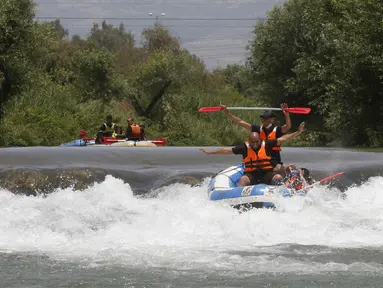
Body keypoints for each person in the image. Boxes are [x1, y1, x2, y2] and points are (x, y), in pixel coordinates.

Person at [200, 122, 305, 187]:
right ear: (249, 141)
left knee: (278, 177)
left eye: (257, 142)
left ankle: (282, 192)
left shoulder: (267, 144)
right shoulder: (244, 147)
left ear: (260, 140)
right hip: (252, 175)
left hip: (266, 174)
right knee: (243, 179)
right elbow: (226, 150)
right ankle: (238, 199)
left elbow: (284, 138)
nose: (254, 144)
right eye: (252, 142)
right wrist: (210, 152)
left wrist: (298, 132)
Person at [220, 103, 291, 166]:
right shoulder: (257, 129)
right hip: (260, 160)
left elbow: (288, 127)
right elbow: (240, 122)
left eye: (266, 118)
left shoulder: (278, 130)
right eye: (263, 118)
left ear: (272, 120)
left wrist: (287, 115)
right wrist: (228, 114)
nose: (263, 120)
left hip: (274, 160)